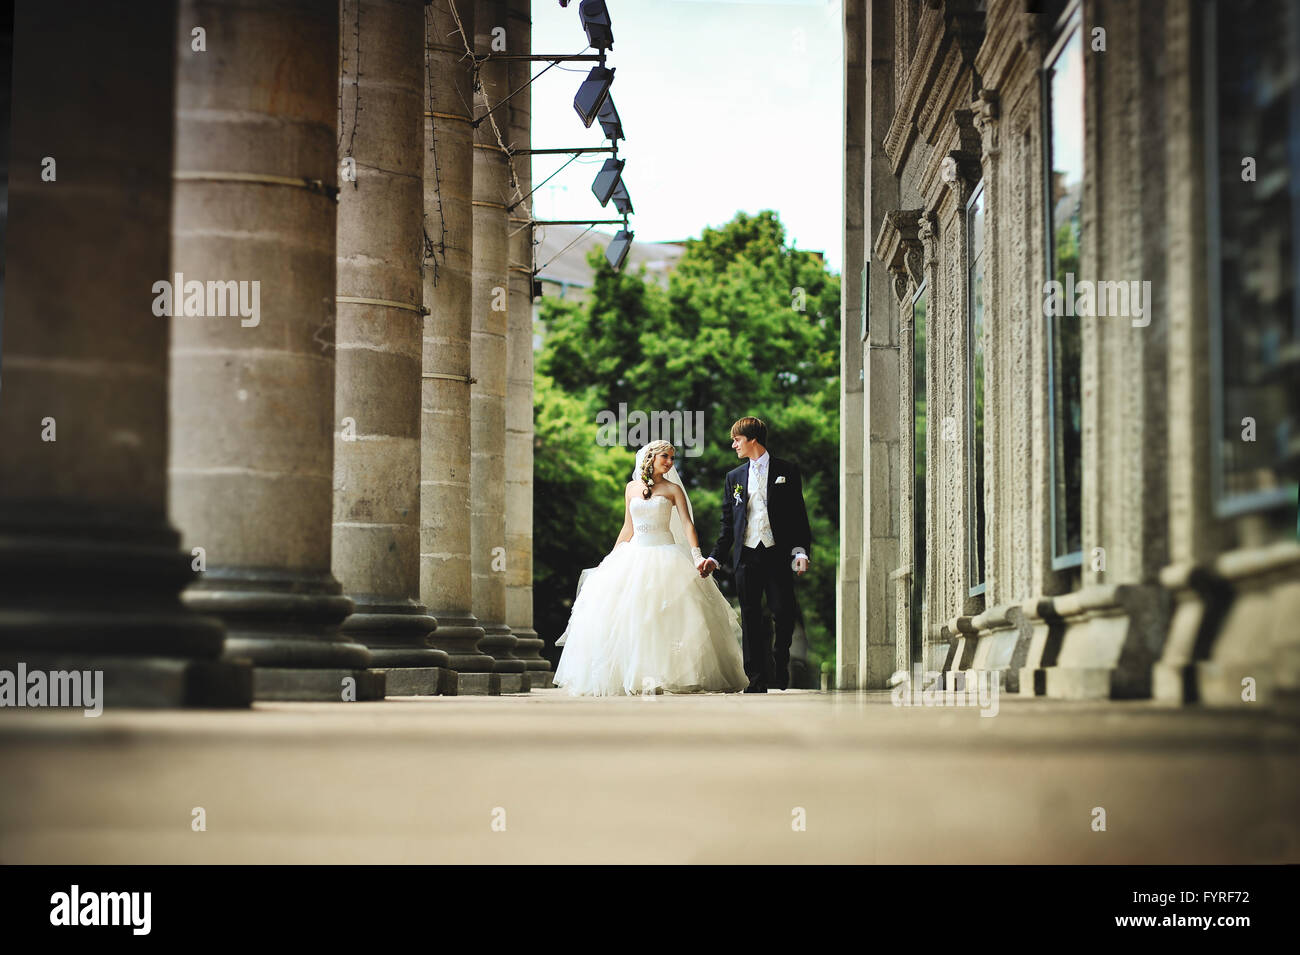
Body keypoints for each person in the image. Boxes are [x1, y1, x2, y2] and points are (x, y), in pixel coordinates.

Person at [552, 441, 749, 696]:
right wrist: (610, 558)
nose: (669, 462)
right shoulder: (631, 488)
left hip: (667, 555)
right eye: (665, 456)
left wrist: (697, 555)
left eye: (672, 458)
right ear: (650, 457)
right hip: (634, 555)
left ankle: (667, 676)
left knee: (667, 617)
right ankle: (637, 677)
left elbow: (687, 525)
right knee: (635, 618)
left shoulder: (673, 489)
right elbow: (627, 527)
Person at [698, 416, 812, 692]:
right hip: (746, 556)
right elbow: (728, 524)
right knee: (749, 617)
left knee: (783, 613)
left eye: (737, 440)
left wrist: (800, 552)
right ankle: (756, 679)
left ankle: (780, 659)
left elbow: (798, 516)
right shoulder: (733, 478)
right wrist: (715, 557)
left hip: (777, 553)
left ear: (752, 439)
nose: (733, 445)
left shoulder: (787, 470)